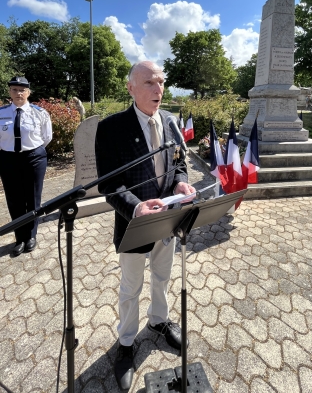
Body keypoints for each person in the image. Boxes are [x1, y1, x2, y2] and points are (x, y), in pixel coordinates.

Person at [95, 61, 195, 391]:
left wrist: (181, 184)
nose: (158, 89)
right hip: (134, 223)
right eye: (149, 82)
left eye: (162, 82)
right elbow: (110, 185)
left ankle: (158, 322)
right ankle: (125, 344)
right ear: (131, 88)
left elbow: (179, 163)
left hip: (168, 218)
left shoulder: (169, 120)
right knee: (130, 287)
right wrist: (136, 207)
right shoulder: (112, 128)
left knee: (163, 276)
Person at [0, 76, 52, 256]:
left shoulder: (40, 113)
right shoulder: (1, 113)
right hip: (8, 159)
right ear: (9, 92)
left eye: (22, 90)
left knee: (33, 198)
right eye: (14, 89)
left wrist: (31, 151)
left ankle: (31, 236)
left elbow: (47, 137)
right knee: (14, 200)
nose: (18, 93)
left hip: (34, 158)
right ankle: (19, 238)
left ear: (28, 92)